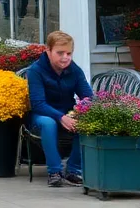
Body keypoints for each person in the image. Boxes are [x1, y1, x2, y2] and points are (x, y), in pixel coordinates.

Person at [26, 30, 93, 187]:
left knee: (87, 121)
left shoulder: (75, 70)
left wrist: (79, 112)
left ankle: (74, 170)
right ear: (48, 51)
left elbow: (88, 97)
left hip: (67, 112)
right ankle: (54, 172)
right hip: (41, 115)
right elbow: (38, 104)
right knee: (49, 123)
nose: (65, 57)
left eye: (69, 53)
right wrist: (60, 117)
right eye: (60, 53)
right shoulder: (35, 71)